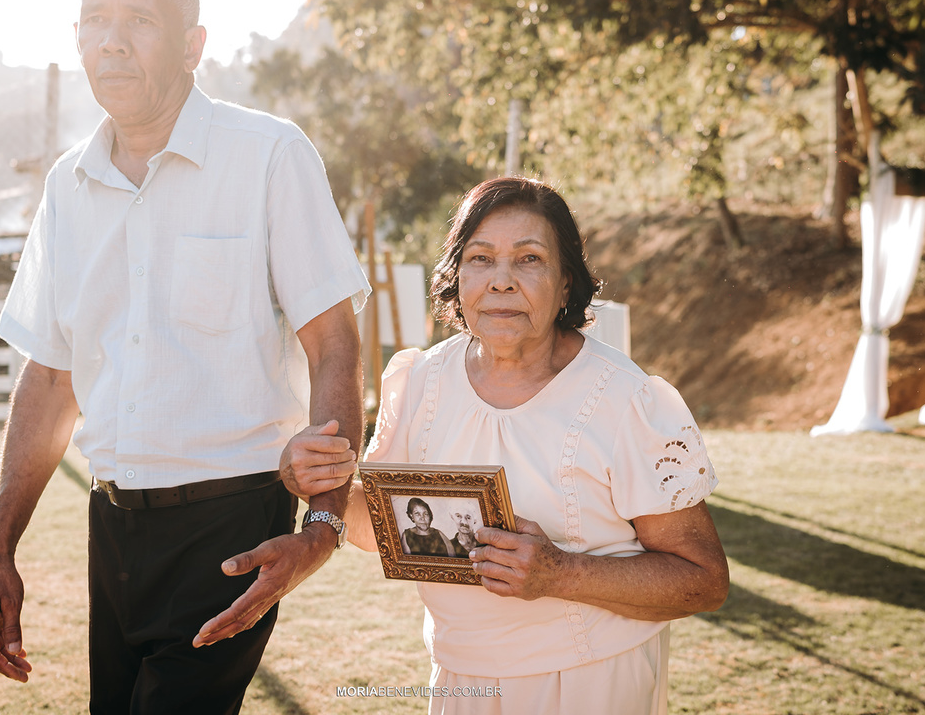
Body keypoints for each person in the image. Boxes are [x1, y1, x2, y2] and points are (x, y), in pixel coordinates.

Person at [0, 0, 369, 715]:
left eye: (139, 22)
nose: (111, 42)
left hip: (229, 525)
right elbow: (51, 380)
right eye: (95, 21)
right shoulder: (67, 185)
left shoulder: (270, 156)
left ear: (193, 46)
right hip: (111, 523)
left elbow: (334, 345)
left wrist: (320, 526)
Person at [284, 177, 729, 715]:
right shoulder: (420, 382)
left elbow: (703, 581)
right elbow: (387, 529)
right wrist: (315, 482)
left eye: (529, 259)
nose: (501, 281)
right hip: (459, 682)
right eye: (481, 258)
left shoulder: (625, 399)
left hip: (591, 684)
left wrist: (560, 572)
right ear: (455, 277)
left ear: (566, 284)